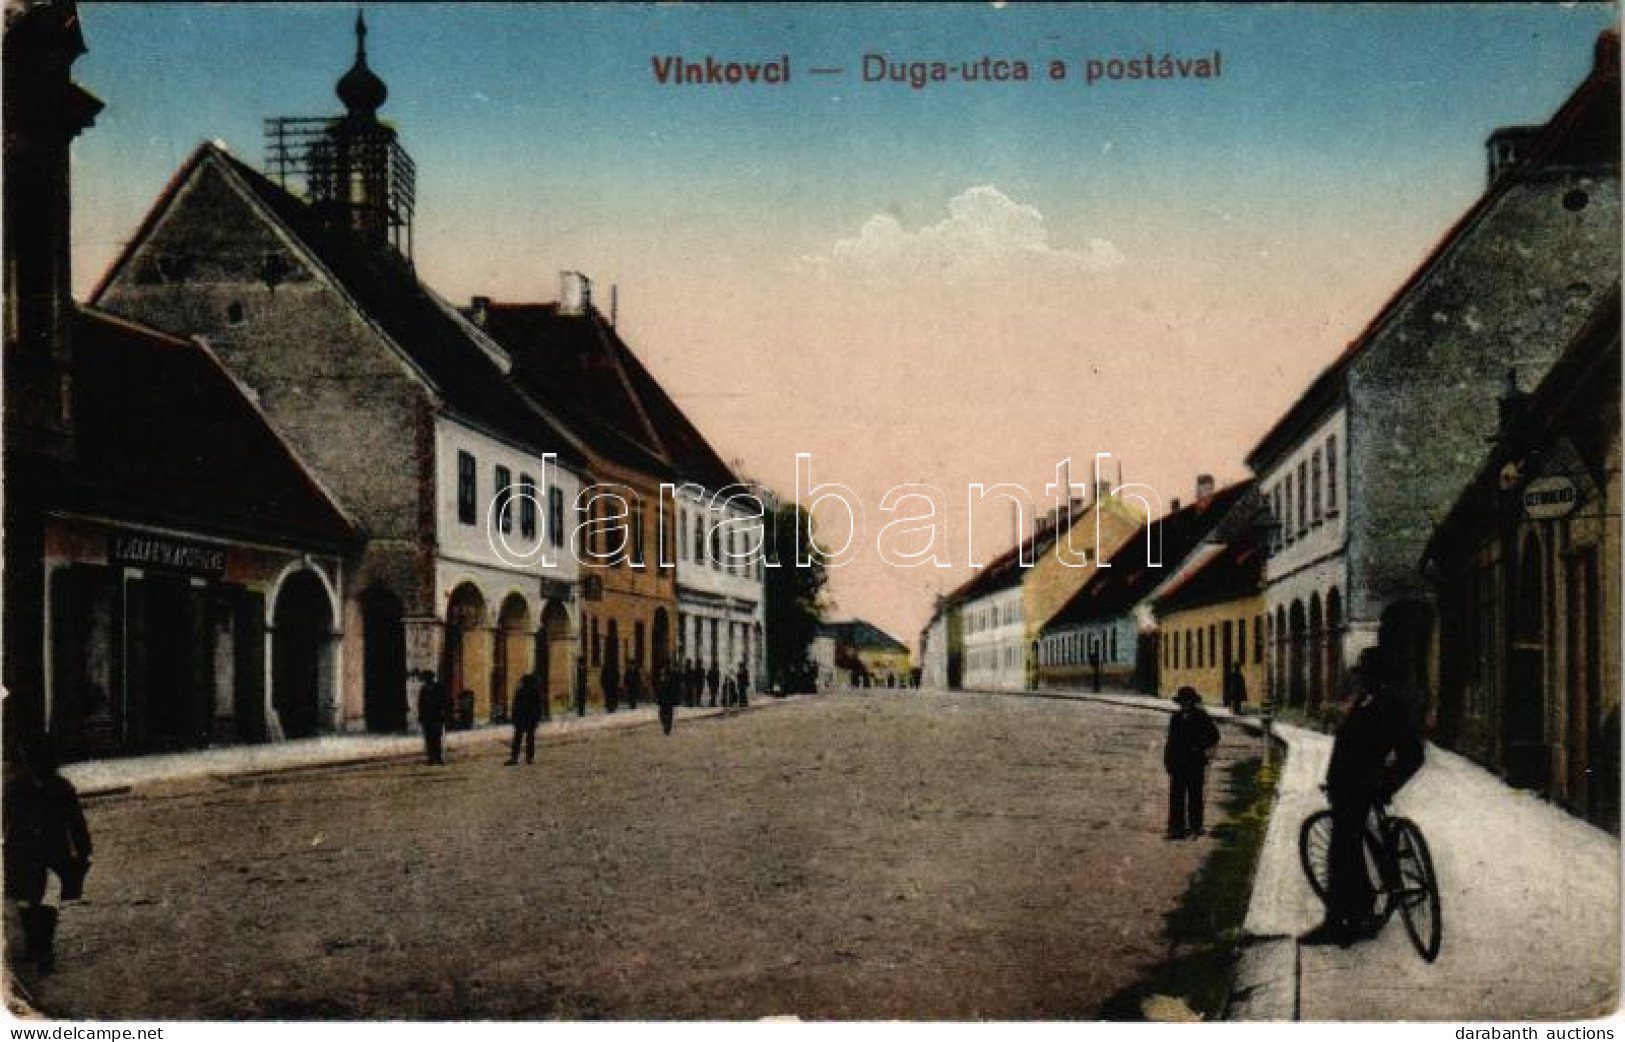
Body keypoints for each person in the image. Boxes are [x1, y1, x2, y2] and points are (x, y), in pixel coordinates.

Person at [1301, 651, 1425, 947]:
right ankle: (1362, 913)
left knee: (1341, 855)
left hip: (1359, 789)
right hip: (1346, 787)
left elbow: (1413, 754)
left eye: (1365, 674)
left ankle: (1340, 924)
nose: (1360, 679)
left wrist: (1386, 785)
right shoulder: (1367, 700)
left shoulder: (1387, 704)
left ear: (1376, 676)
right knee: (1349, 851)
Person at [5, 740, 93, 973]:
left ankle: (45, 948)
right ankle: (34, 944)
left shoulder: (62, 788)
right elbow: (8, 824)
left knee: (49, 898)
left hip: (54, 853)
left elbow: (76, 823)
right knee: (27, 901)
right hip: (24, 855)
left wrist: (85, 851)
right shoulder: (15, 790)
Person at [1164, 687, 1221, 839]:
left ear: (1193, 702)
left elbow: (1214, 736)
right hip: (1178, 763)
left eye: (1187, 701)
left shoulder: (1202, 717)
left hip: (1195, 763)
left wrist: (1200, 747)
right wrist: (1168, 761)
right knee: (1176, 796)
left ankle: (1196, 826)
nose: (1185, 704)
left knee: (1195, 795)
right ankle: (1176, 827)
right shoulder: (1175, 718)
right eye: (1182, 701)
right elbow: (1170, 742)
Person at [506, 673, 543, 766]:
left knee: (518, 739)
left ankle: (515, 758)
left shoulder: (521, 691)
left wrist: (514, 718)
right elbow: (539, 707)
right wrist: (537, 719)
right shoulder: (535, 691)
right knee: (529, 739)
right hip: (530, 719)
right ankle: (529, 758)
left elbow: (515, 706)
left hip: (522, 719)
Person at [416, 670, 449, 765]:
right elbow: (420, 704)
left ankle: (438, 757)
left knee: (436, 737)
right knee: (429, 738)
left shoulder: (438, 688)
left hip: (436, 716)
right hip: (427, 717)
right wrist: (421, 716)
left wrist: (444, 714)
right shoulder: (424, 689)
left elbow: (444, 701)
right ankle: (431, 757)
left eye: (427, 677)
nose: (426, 679)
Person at [657, 663, 681, 735]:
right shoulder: (661, 681)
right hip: (663, 701)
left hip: (668, 701)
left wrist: (674, 699)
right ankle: (666, 725)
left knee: (668, 714)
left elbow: (674, 691)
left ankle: (667, 727)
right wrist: (658, 699)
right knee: (662, 714)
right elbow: (659, 691)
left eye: (663, 674)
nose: (662, 675)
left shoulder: (670, 682)